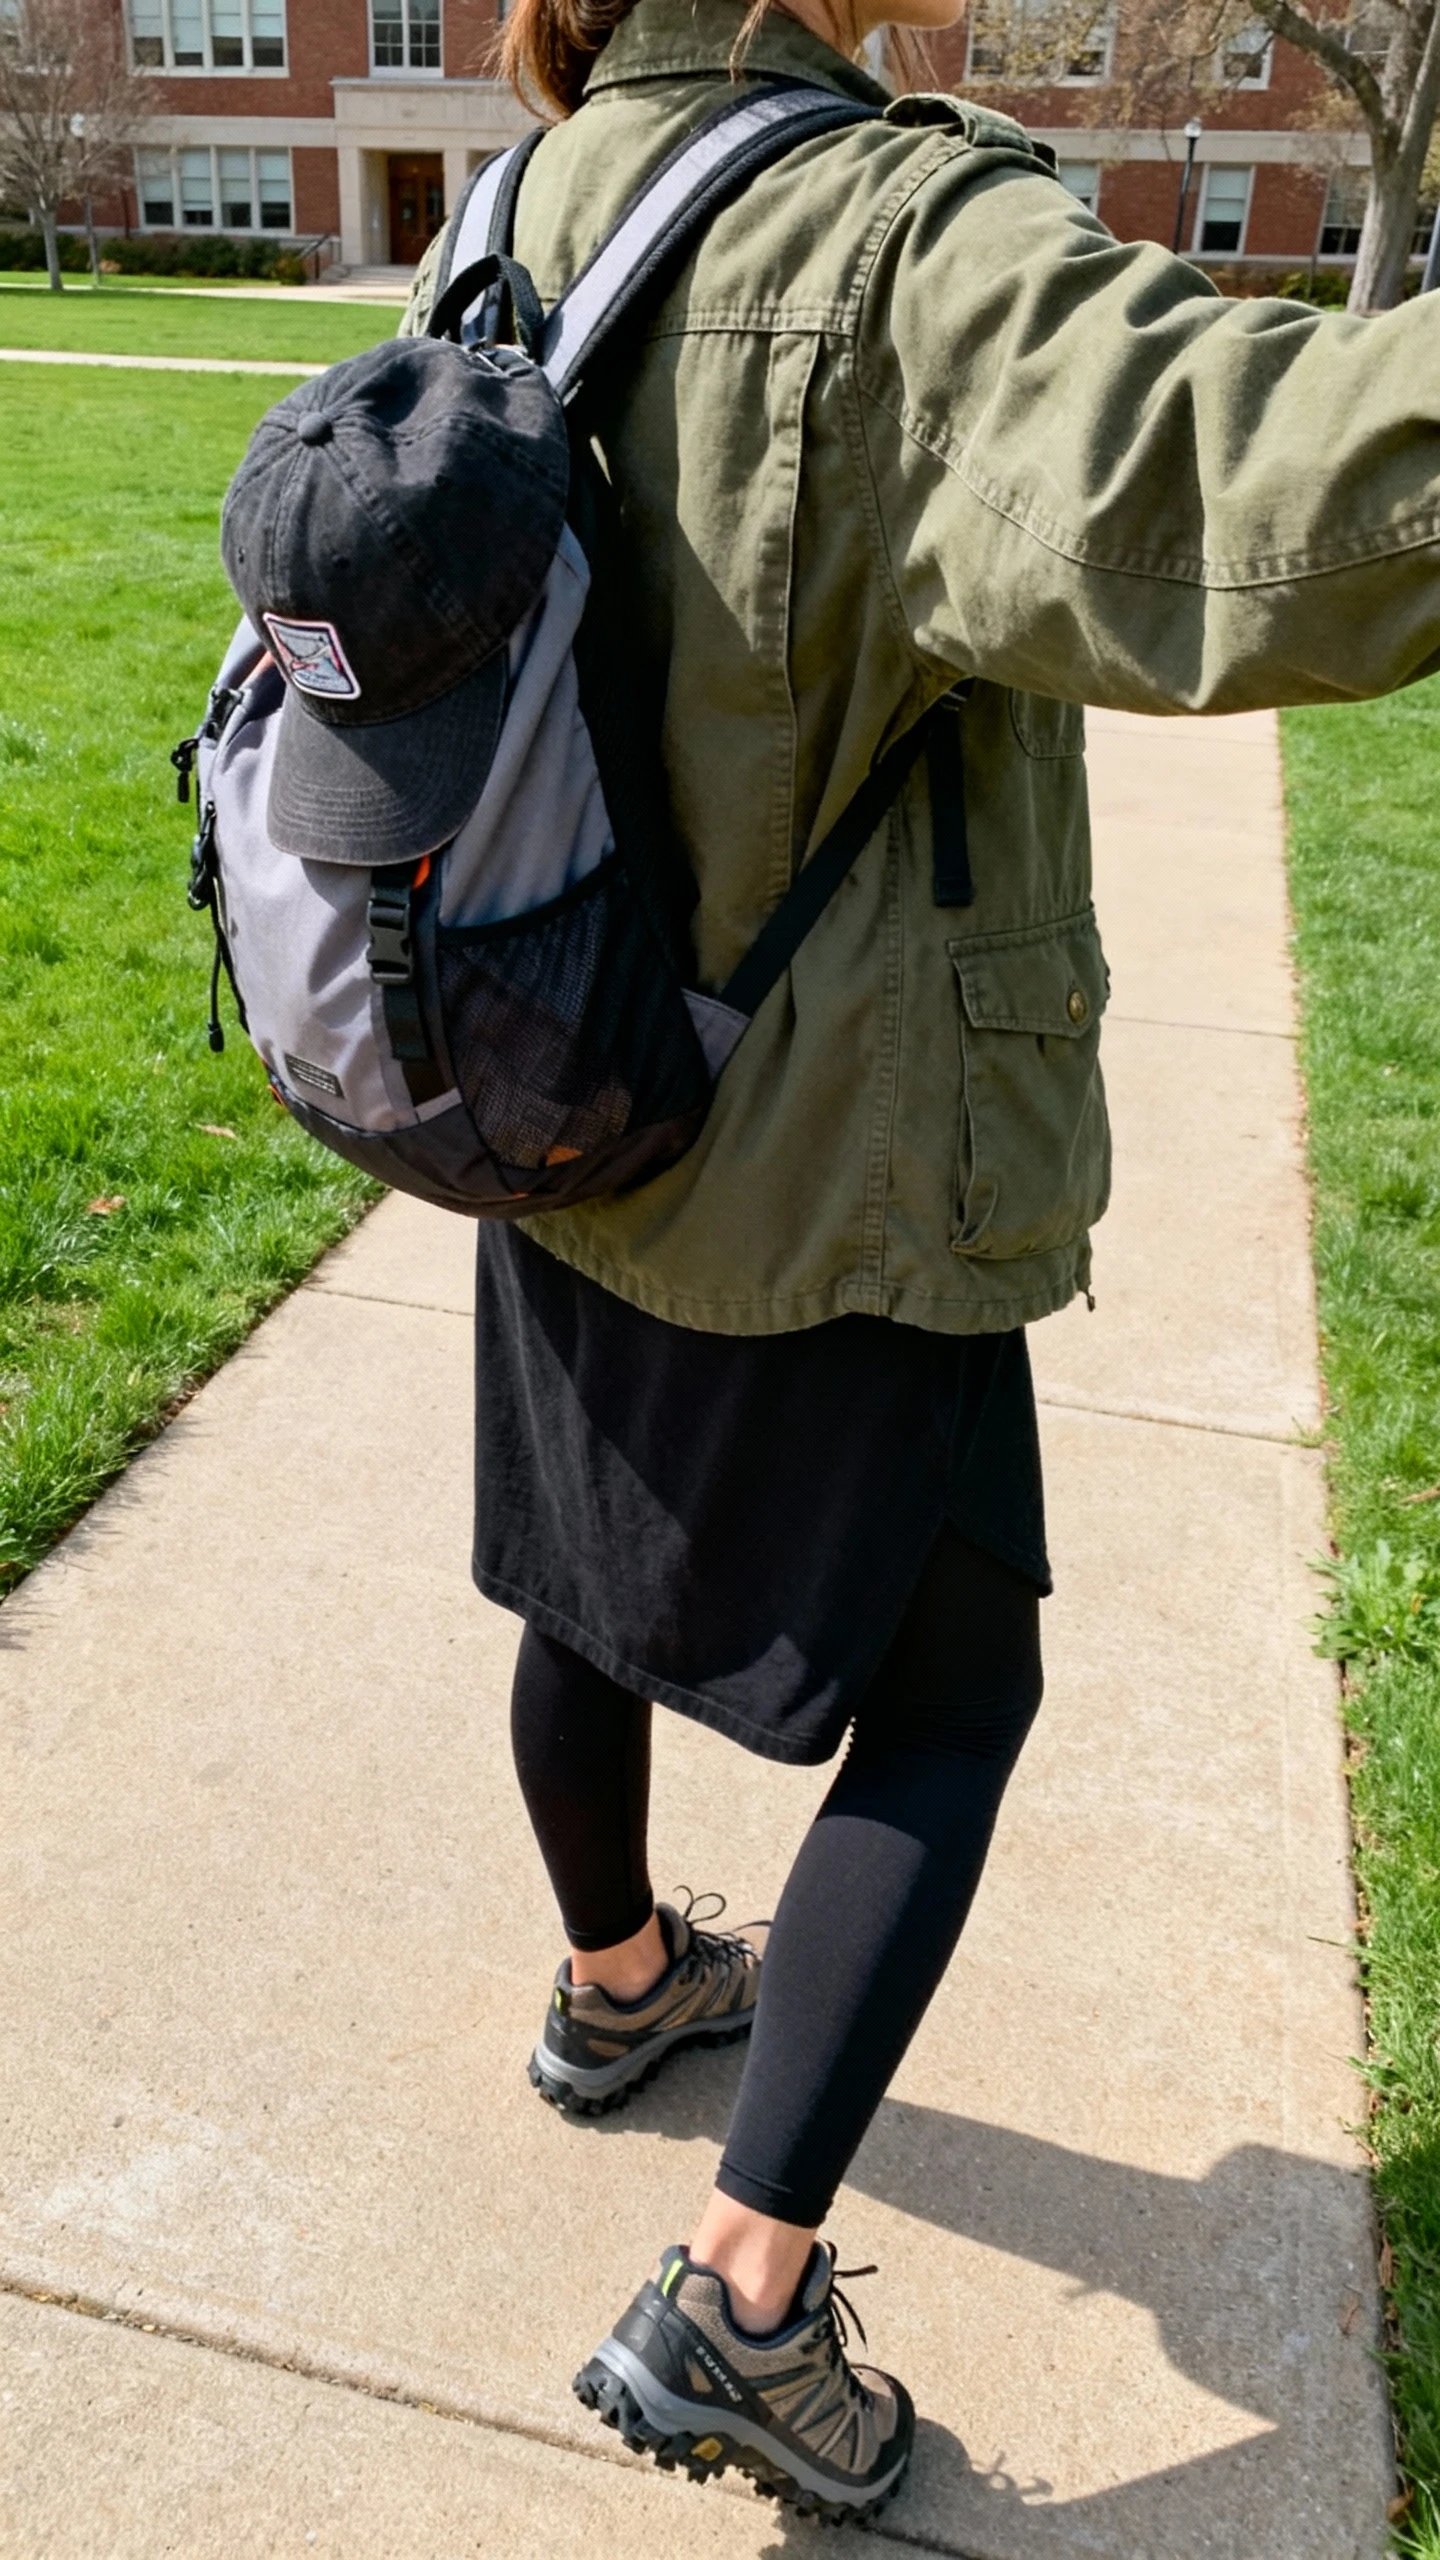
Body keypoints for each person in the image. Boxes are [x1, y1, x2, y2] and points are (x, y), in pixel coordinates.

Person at [402, 0, 1440, 2522]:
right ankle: (741, 2305)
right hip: (843, 1138)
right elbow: (1256, 488)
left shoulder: (513, 205)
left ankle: (618, 1980)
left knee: (584, 1578)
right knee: (958, 1700)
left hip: (559, 1070)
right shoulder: (897, 236)